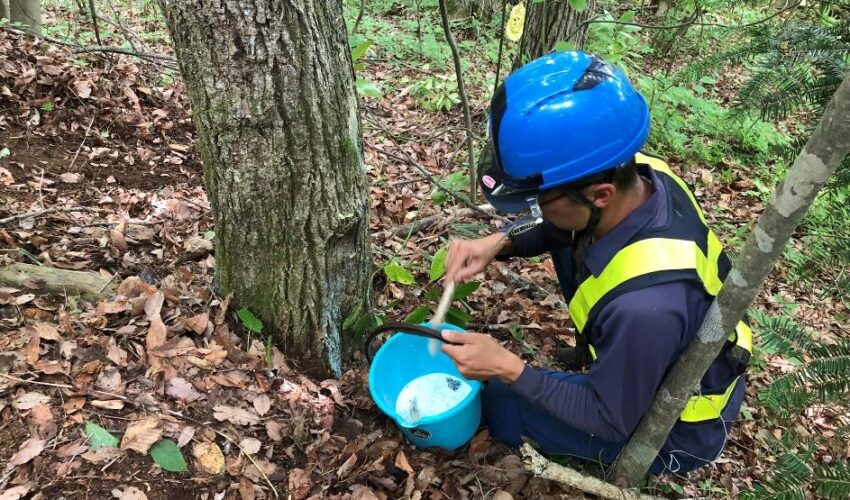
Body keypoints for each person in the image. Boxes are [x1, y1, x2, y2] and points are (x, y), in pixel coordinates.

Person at [439, 51, 751, 474]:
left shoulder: (646, 309)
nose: (535, 210)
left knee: (499, 400)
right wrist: (499, 243)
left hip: (675, 429)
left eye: (538, 199)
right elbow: (559, 224)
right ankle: (610, 363)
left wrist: (510, 368)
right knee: (569, 239)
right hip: (647, 351)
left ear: (600, 193)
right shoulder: (641, 178)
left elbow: (608, 418)